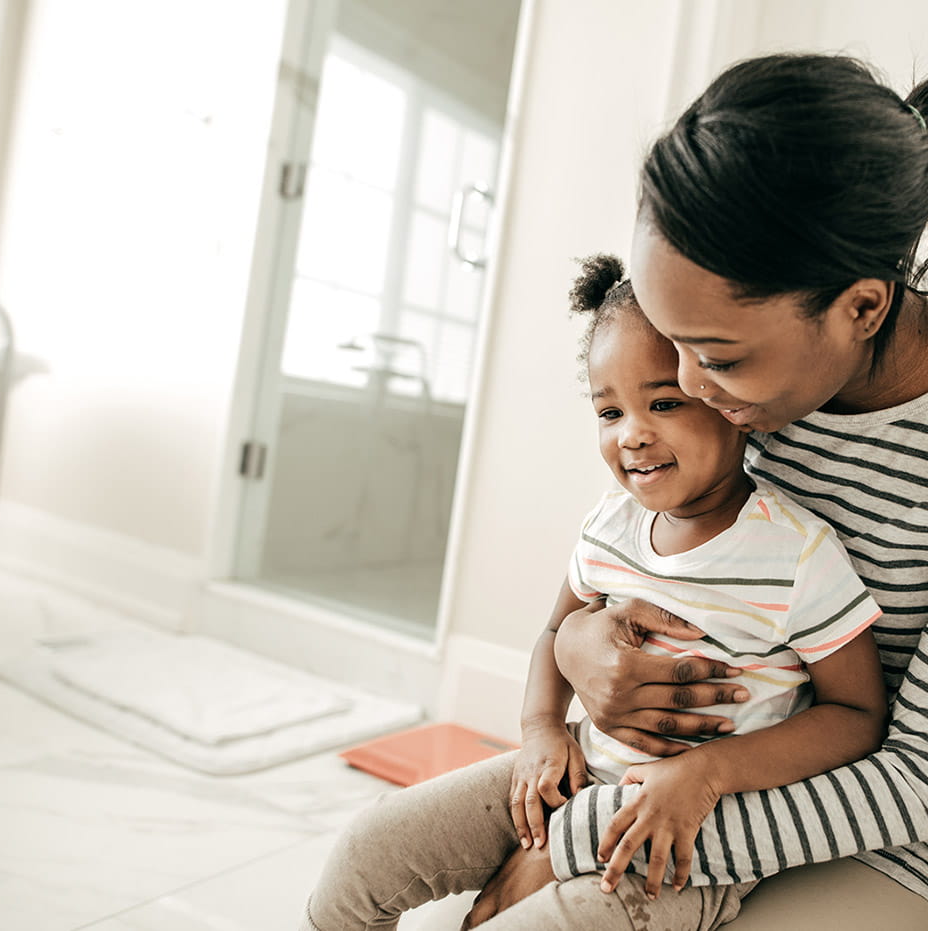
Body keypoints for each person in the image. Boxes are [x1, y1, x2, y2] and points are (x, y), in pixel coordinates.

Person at [466, 54, 928, 931]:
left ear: (862, 306)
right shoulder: (741, 384)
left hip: (876, 836)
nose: (688, 388)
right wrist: (581, 644)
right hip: (644, 769)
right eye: (675, 343)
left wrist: (570, 839)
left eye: (719, 358)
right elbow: (627, 562)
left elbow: (925, 775)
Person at [301, 254, 890, 931]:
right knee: (364, 850)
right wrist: (542, 728)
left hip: (680, 848)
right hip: (572, 775)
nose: (632, 433)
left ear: (732, 402)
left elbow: (856, 712)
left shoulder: (797, 552)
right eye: (609, 410)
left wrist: (711, 772)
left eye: (663, 402)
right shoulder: (610, 523)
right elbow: (556, 633)